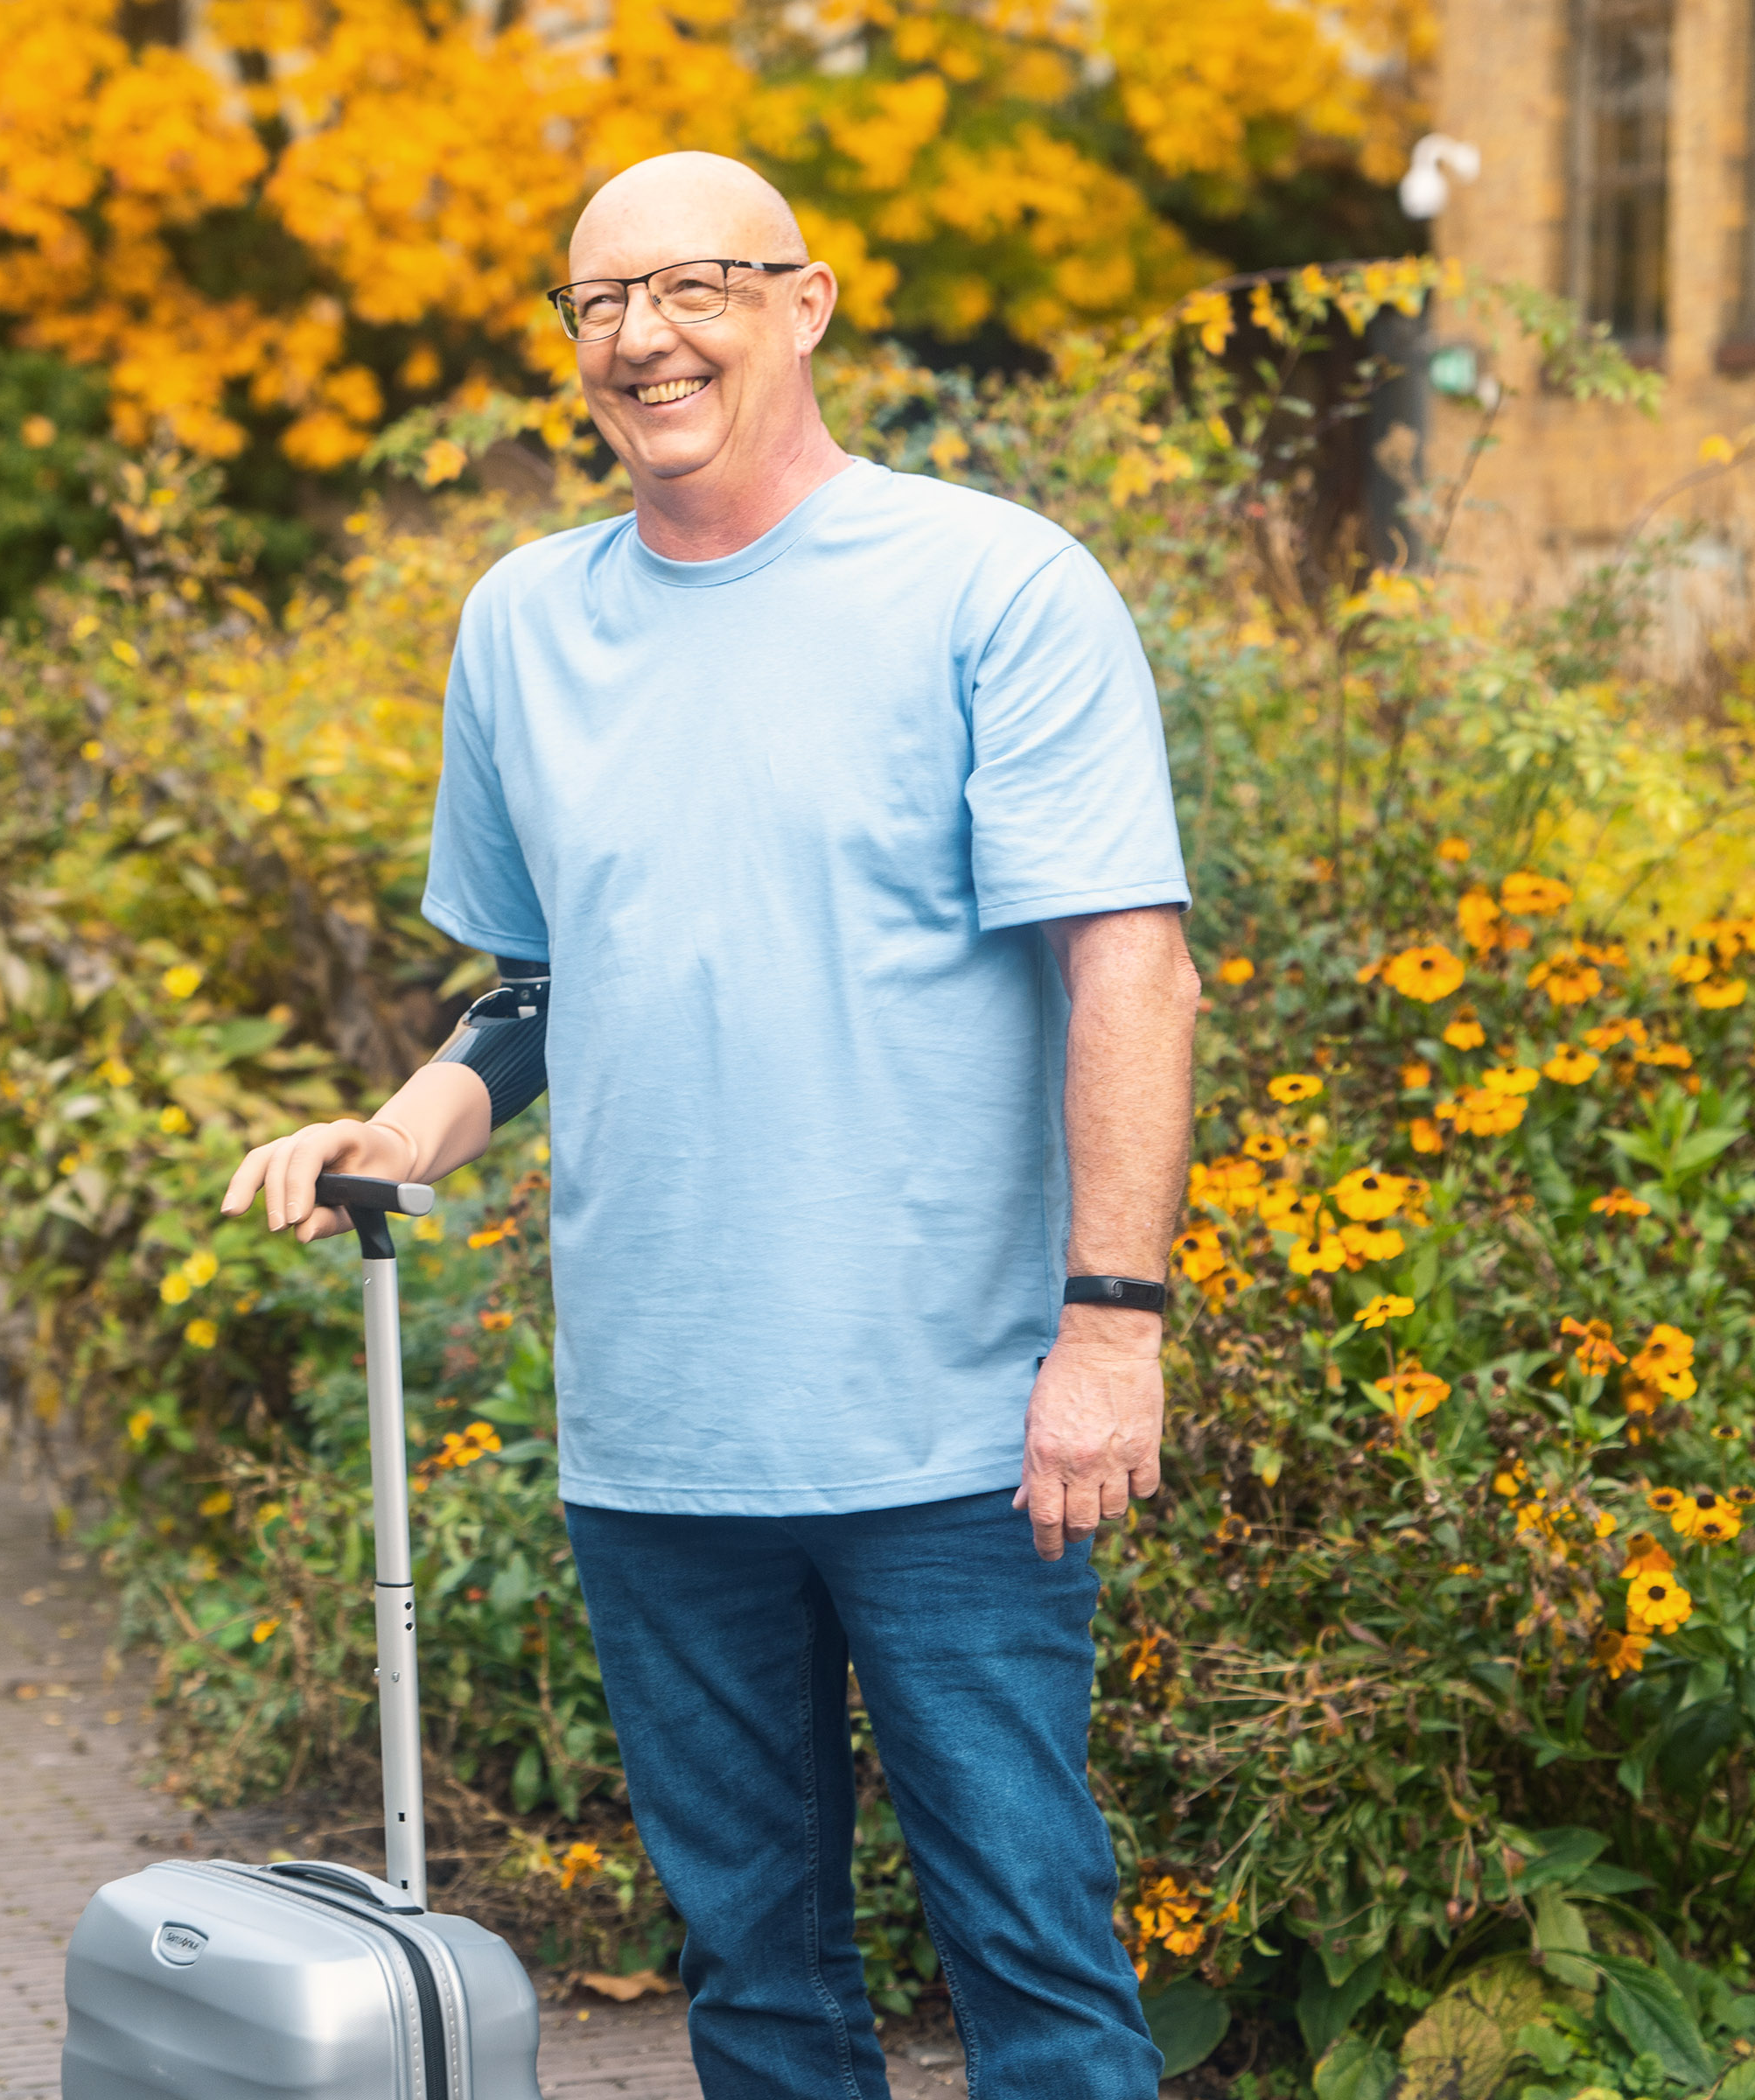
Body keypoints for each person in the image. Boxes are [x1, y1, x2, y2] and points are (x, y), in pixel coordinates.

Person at [221, 150, 1199, 2100]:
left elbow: (1132, 971)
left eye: (696, 289)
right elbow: (543, 984)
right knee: (750, 1980)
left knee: (1034, 1961)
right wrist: (403, 1129)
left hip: (956, 1432)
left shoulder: (992, 583)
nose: (643, 338)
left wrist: (1110, 1327)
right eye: (600, 304)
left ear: (808, 302)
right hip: (660, 1445)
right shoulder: (524, 622)